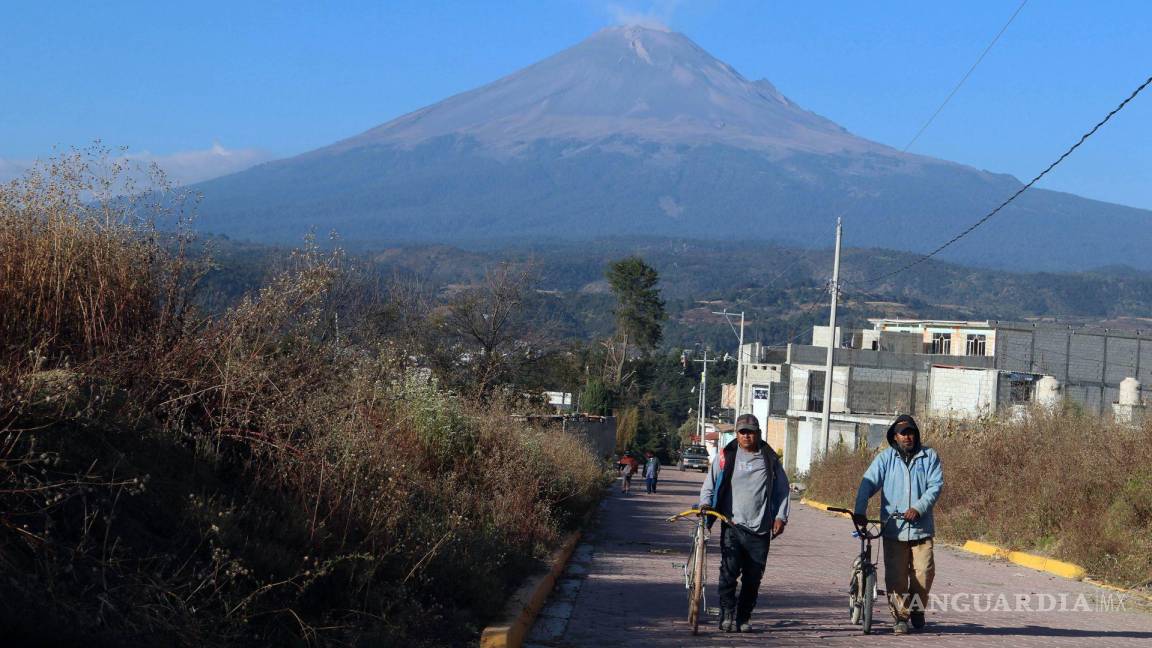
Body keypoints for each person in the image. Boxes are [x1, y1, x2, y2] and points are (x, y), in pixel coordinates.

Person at [698, 414, 790, 633]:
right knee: (728, 573)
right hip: (732, 525)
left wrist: (780, 517)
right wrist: (705, 504)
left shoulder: (769, 458)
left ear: (758, 433)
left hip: (760, 528)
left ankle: (743, 617)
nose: (747, 436)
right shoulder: (727, 456)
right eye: (742, 432)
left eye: (751, 432)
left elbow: (782, 490)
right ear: (737, 434)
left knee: (753, 577)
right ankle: (726, 614)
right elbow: (709, 484)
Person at [853, 414, 943, 635]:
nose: (908, 437)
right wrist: (860, 509)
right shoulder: (886, 459)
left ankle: (917, 609)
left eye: (911, 432)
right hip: (894, 529)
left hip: (922, 528)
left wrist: (919, 508)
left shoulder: (929, 456)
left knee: (925, 572)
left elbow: (935, 486)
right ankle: (901, 618)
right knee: (896, 577)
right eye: (903, 433)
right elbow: (868, 483)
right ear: (895, 436)